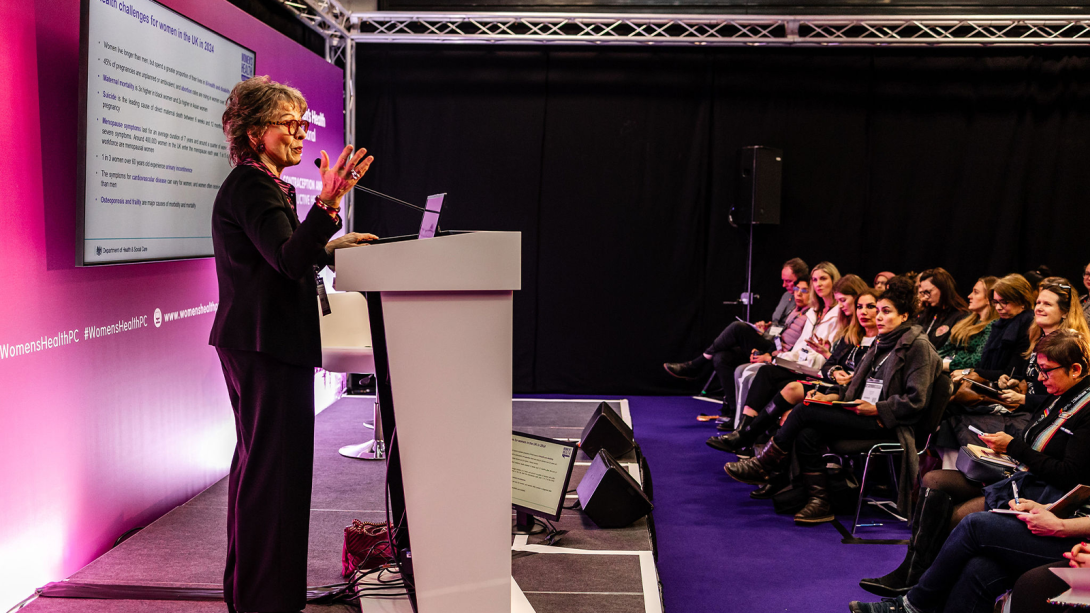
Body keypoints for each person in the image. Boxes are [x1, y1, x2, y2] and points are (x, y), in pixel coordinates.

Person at [209, 76, 378, 613]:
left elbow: (284, 254)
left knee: (262, 473)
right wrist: (327, 206)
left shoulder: (260, 183)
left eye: (304, 122)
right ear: (257, 132)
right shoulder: (251, 185)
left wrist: (330, 244)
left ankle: (257, 596)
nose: (302, 133)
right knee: (272, 480)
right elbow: (286, 259)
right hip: (266, 346)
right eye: (291, 123)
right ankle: (265, 601)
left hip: (263, 343)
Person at [851, 330, 1090, 613]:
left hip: (1057, 507)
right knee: (975, 560)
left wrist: (1015, 449)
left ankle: (912, 603)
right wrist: (1011, 452)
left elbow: (1069, 475)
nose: (1040, 378)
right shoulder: (1064, 395)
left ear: (1075, 369)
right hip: (1037, 490)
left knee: (971, 525)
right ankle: (913, 579)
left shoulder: (1084, 407)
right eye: (1039, 370)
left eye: (1047, 371)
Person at [724, 276, 941, 525]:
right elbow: (857, 387)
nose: (878, 317)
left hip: (889, 423)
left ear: (904, 316)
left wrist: (877, 409)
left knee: (805, 410)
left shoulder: (918, 346)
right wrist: (834, 395)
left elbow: (917, 401)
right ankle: (820, 502)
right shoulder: (885, 341)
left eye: (886, 312)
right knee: (808, 432)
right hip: (863, 412)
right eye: (877, 310)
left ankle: (766, 462)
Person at [707, 275, 869, 454]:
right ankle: (744, 433)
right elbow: (831, 363)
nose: (863, 311)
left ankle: (748, 438)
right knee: (765, 372)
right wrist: (833, 368)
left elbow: (847, 367)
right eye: (814, 280)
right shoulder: (844, 325)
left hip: (835, 386)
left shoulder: (852, 326)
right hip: (822, 375)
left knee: (781, 385)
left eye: (870, 307)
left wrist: (829, 361)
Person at [663, 258, 809, 416]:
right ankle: (734, 412)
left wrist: (771, 344)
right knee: (721, 357)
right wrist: (765, 327)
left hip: (777, 349)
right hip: (769, 339)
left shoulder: (805, 302)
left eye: (789, 281)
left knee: (737, 328)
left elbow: (791, 333)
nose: (785, 286)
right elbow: (779, 325)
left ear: (801, 279)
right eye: (784, 281)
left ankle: (696, 365)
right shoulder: (786, 297)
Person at [937, 276, 998, 373]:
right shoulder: (966, 320)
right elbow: (945, 349)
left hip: (960, 375)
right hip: (943, 369)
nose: (969, 296)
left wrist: (946, 365)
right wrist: (932, 362)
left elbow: (978, 359)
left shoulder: (993, 325)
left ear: (989, 298)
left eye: (976, 292)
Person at [915, 268, 969, 351]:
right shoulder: (926, 312)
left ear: (943, 289)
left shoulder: (961, 316)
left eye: (928, 292)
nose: (925, 297)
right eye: (923, 293)